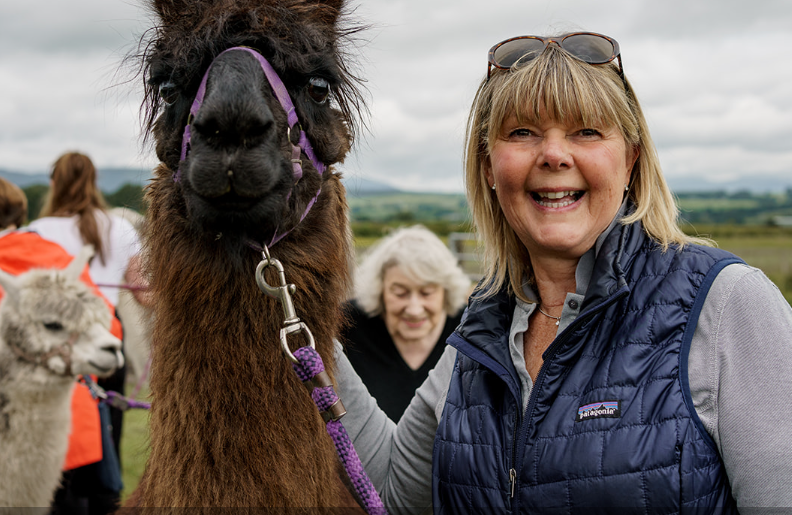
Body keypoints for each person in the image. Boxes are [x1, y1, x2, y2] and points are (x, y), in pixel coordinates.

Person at [334, 32, 792, 512]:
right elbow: (389, 493)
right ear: (489, 166)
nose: (554, 155)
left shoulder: (726, 307)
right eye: (522, 133)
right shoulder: (479, 338)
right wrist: (302, 321)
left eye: (586, 131)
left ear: (631, 159)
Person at [0, 176, 124, 513]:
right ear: (19, 213)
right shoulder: (62, 263)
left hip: (8, 442)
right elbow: (108, 327)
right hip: (73, 432)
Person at [28, 152, 146, 490]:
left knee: (56, 442)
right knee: (110, 432)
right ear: (93, 183)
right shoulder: (119, 227)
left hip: (58, 348)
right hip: (109, 339)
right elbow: (146, 294)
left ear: (55, 183)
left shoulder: (36, 232)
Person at [342, 225, 471, 422]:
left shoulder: (470, 332)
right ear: (381, 290)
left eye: (427, 293)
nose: (414, 309)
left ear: (446, 292)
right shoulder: (346, 324)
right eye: (400, 292)